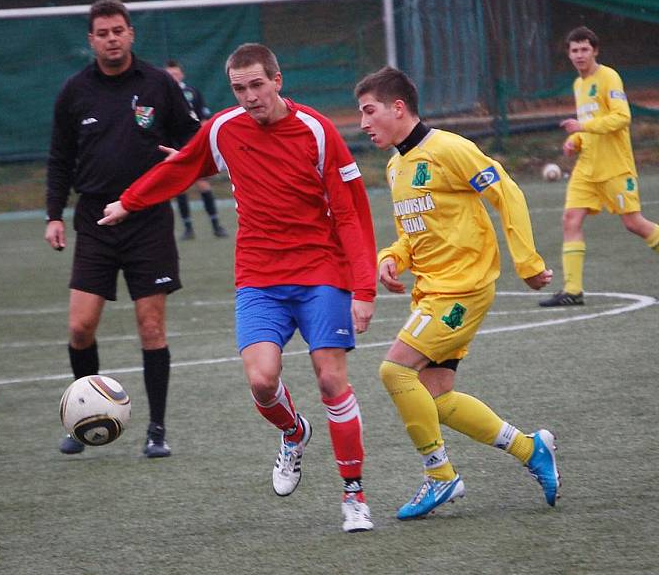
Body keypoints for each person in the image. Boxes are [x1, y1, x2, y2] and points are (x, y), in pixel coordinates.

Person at [100, 43, 378, 533]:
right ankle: (294, 433)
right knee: (261, 381)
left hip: (321, 271)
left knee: (332, 380)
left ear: (277, 80)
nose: (249, 97)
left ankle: (353, 495)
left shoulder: (318, 130)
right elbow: (184, 164)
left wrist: (364, 288)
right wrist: (130, 201)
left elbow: (352, 212)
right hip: (259, 276)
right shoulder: (224, 129)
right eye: (239, 88)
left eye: (256, 85)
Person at [355, 66, 559, 520]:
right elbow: (414, 231)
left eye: (370, 112)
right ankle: (532, 449)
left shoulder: (449, 148)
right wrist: (392, 257)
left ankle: (441, 476)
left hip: (462, 289)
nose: (364, 123)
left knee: (393, 372)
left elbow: (507, 193)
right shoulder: (395, 167)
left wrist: (528, 262)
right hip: (433, 291)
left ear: (399, 108)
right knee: (437, 398)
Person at [44, 0, 199, 456]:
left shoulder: (158, 84)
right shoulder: (74, 91)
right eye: (102, 33)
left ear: (131, 33)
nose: (112, 39)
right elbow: (58, 158)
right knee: (80, 328)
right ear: (91, 40)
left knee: (151, 327)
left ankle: (157, 430)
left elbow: (192, 136)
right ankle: (83, 418)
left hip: (148, 220)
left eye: (118, 30)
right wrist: (54, 214)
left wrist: (184, 160)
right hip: (94, 221)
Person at [540, 26, 659, 307]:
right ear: (568, 54)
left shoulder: (608, 78)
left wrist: (582, 126)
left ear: (595, 50)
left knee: (634, 223)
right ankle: (573, 290)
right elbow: (591, 122)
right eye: (574, 50)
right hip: (587, 168)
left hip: (614, 167)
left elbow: (621, 118)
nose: (579, 55)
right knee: (571, 219)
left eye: (584, 49)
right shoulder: (579, 85)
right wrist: (576, 140)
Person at [164, 59, 228, 240]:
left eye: (176, 74)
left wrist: (198, 139)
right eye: (169, 75)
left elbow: (204, 118)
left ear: (182, 75)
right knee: (180, 188)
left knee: (203, 184)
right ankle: (187, 228)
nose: (173, 78)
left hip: (193, 147)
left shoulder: (191, 92)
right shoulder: (162, 95)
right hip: (173, 147)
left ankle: (216, 225)